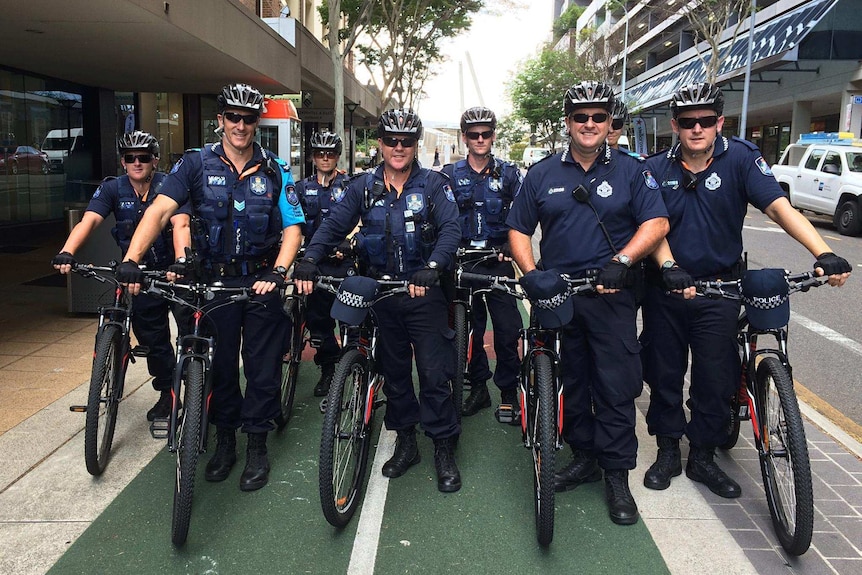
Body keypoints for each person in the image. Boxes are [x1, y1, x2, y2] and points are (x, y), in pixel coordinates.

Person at [640, 82, 851, 499]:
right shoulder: (653, 168)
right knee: (663, 373)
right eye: (687, 122)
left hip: (721, 289)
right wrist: (669, 267)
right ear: (675, 126)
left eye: (705, 121)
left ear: (720, 122)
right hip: (667, 289)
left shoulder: (741, 157)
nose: (696, 129)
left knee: (715, 378)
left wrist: (823, 251)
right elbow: (651, 224)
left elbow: (778, 207)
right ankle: (667, 450)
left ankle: (701, 456)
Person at [116, 83, 305, 492]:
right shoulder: (194, 165)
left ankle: (256, 444)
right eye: (232, 117)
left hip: (260, 282)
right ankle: (224, 441)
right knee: (219, 368)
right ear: (220, 120)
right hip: (213, 283)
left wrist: (278, 272)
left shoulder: (275, 168)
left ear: (257, 122)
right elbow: (160, 212)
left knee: (262, 368)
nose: (240, 125)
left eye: (248, 118)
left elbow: (293, 229)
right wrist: (132, 259)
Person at [507, 81, 669, 525]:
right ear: (568, 123)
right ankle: (583, 456)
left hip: (612, 294)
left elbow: (656, 222)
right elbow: (519, 229)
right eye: (582, 117)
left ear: (609, 122)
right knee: (571, 381)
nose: (591, 124)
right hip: (559, 295)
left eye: (599, 117)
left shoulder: (632, 171)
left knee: (616, 387)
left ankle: (616, 474)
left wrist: (623, 259)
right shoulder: (541, 174)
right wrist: (533, 274)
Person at [293, 108, 463, 493]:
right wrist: (309, 259)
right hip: (382, 294)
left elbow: (452, 228)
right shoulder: (363, 186)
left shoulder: (434, 184)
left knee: (435, 374)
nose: (398, 147)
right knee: (395, 372)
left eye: (406, 141)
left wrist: (434, 265)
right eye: (391, 140)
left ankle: (442, 446)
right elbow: (334, 224)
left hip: (422, 291)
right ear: (381, 144)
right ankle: (406, 442)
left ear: (416, 144)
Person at [51, 130, 191, 422]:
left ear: (154, 160)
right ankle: (168, 392)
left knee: (191, 332)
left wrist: (181, 261)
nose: (137, 163)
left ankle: (199, 382)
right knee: (154, 339)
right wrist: (67, 252)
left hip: (176, 271)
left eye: (143, 157)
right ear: (123, 162)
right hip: (137, 274)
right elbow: (88, 221)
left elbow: (180, 224)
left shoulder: (171, 185)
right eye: (130, 158)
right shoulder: (113, 188)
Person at [440, 106, 523, 420]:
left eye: (485, 134)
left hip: (496, 259)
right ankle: (477, 388)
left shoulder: (510, 174)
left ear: (493, 135)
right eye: (473, 134)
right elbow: (437, 216)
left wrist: (510, 245)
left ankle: (507, 391)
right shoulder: (449, 174)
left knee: (507, 330)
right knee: (469, 331)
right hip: (462, 263)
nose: (479, 139)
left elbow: (525, 215)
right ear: (464, 137)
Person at [295, 131, 354, 398]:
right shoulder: (300, 187)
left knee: (350, 319)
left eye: (330, 153)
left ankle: (353, 368)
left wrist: (349, 242)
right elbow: (293, 224)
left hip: (343, 262)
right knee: (319, 321)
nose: (325, 158)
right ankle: (328, 368)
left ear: (338, 156)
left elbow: (361, 219)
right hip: (313, 265)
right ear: (312, 157)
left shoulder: (351, 185)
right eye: (320, 153)